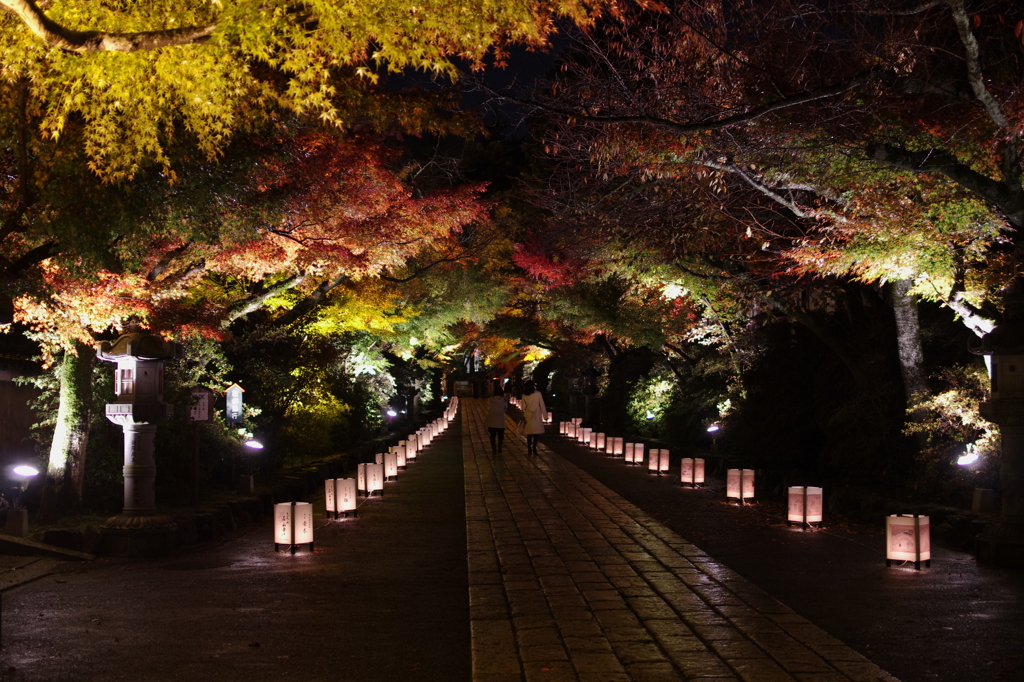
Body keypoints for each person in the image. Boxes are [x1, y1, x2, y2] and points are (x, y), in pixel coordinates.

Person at [521, 379, 547, 456]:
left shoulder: (524, 395)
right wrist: (545, 416)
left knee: (529, 433)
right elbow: (542, 405)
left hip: (528, 414)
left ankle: (529, 447)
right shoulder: (538, 394)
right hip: (536, 415)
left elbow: (523, 407)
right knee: (536, 433)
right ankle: (534, 447)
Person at [485, 380, 508, 455]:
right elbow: (505, 409)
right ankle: (500, 447)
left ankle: (494, 447)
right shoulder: (504, 400)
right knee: (500, 435)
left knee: (492, 435)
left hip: (492, 419)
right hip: (500, 419)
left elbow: (489, 407)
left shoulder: (490, 400)